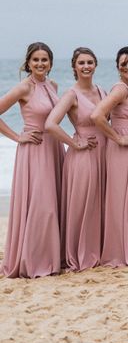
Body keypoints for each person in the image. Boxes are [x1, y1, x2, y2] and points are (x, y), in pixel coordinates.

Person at [0, 42, 64, 278]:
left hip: (54, 147)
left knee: (54, 203)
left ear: (51, 63)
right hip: (34, 150)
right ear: (28, 63)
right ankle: (35, 259)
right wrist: (18, 137)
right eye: (35, 60)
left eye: (44, 60)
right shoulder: (23, 88)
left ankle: (52, 257)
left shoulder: (53, 85)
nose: (40, 64)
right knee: (41, 206)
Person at [45, 47, 107, 271]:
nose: (86, 66)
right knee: (83, 205)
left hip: (103, 152)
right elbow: (51, 124)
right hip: (83, 155)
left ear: (96, 65)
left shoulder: (101, 90)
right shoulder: (71, 94)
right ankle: (79, 253)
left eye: (90, 62)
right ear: (74, 67)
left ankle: (97, 251)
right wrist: (75, 143)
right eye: (81, 63)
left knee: (99, 203)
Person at [92, 46, 128, 268]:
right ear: (117, 68)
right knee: (122, 198)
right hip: (124, 149)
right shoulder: (120, 89)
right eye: (123, 63)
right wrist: (118, 138)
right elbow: (97, 115)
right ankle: (120, 251)